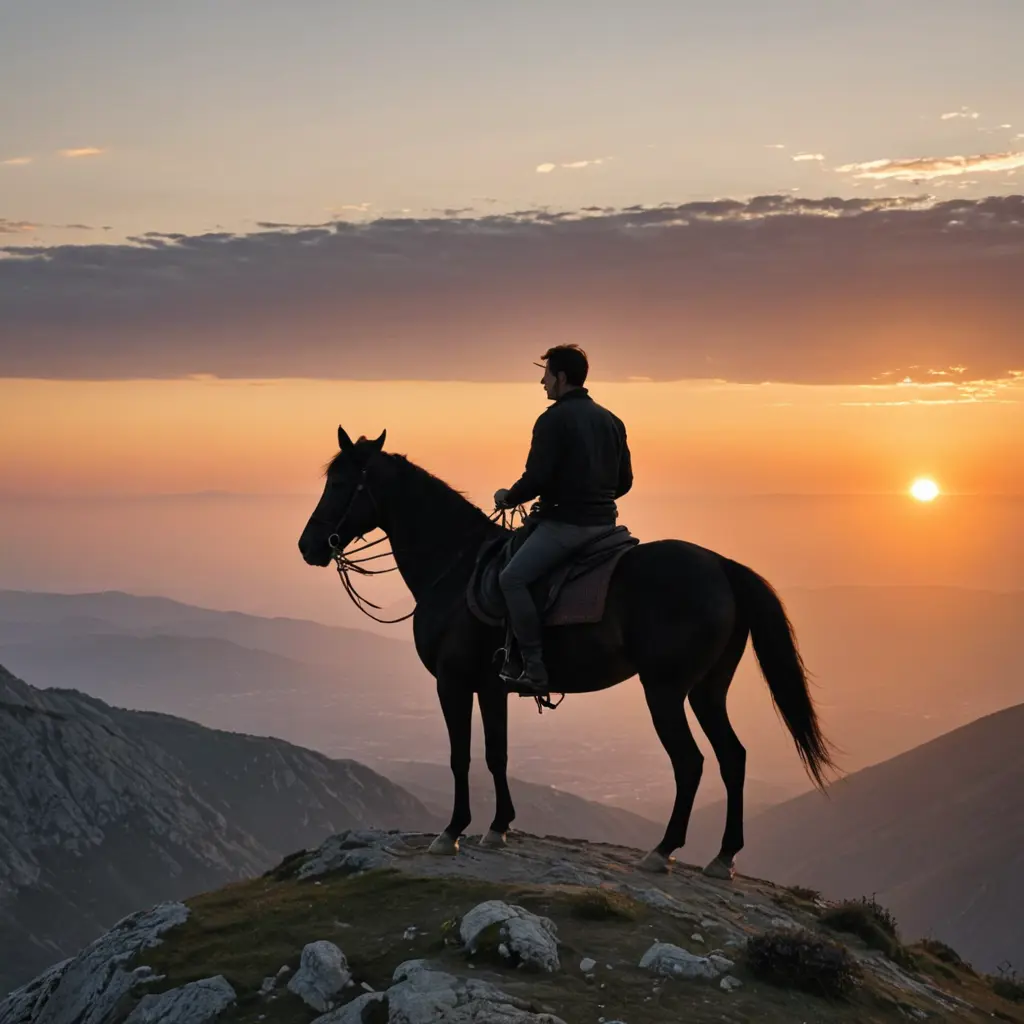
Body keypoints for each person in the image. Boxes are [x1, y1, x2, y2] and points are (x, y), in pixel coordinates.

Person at [494, 344, 633, 694]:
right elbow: (625, 481)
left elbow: (537, 478)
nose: (542, 383)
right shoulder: (612, 420)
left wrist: (508, 497)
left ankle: (534, 667)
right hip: (606, 528)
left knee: (511, 579)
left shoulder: (552, 420)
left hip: (565, 527)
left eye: (545, 375)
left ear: (560, 377)